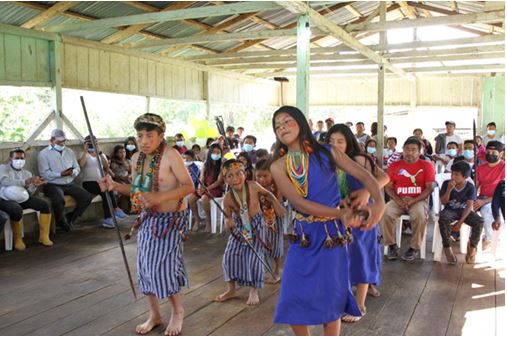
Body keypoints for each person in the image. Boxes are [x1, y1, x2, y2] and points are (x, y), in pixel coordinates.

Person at [270, 106, 384, 335]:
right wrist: (340, 214)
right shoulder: (278, 166)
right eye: (277, 126)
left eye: (287, 121)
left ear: (301, 123)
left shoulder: (327, 152)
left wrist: (378, 204)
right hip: (303, 235)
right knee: (292, 295)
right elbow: (298, 203)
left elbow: (365, 176)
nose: (282, 128)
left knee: (332, 296)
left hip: (332, 235)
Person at [99, 113, 194, 336]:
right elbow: (136, 190)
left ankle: (178, 311)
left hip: (172, 221)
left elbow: (189, 186)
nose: (144, 141)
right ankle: (155, 314)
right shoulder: (136, 159)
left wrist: (160, 198)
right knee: (146, 266)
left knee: (165, 266)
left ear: (161, 136)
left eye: (150, 136)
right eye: (140, 135)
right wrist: (113, 186)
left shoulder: (171, 156)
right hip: (149, 219)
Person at [326, 124, 389, 322]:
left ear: (349, 142)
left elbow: (383, 177)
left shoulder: (358, 159)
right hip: (341, 215)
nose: (335, 145)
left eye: (340, 141)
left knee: (361, 255)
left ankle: (360, 304)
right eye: (331, 142)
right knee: (343, 258)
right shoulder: (328, 162)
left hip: (363, 213)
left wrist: (367, 191)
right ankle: (346, 298)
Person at [214, 159, 284, 305]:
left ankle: (254, 290)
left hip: (257, 225)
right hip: (240, 227)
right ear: (225, 179)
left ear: (245, 174)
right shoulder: (228, 198)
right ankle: (231, 289)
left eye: (238, 173)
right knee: (229, 256)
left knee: (255, 257)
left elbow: (268, 194)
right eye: (230, 176)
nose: (235, 178)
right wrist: (228, 221)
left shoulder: (253, 185)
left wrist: (277, 204)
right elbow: (227, 216)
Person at [382, 136, 435, 261]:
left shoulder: (426, 165)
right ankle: (391, 245)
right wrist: (399, 201)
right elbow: (388, 187)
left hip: (418, 200)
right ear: (402, 150)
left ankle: (414, 247)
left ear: (419, 151)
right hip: (398, 200)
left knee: (420, 215)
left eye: (413, 149)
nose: (409, 152)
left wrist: (412, 201)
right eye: (407, 149)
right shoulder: (395, 165)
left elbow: (429, 188)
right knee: (385, 212)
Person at [38, 129, 93, 231]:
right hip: (51, 184)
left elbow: (77, 167)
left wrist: (73, 172)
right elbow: (44, 174)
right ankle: (61, 222)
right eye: (59, 141)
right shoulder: (43, 154)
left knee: (87, 197)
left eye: (64, 141)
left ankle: (71, 217)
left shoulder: (69, 152)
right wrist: (60, 174)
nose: (62, 143)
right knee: (58, 199)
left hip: (68, 182)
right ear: (52, 140)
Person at [0, 148, 53, 249]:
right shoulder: (3, 168)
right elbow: (5, 182)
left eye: (22, 158)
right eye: (17, 158)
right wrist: (25, 182)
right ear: (10, 158)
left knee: (44, 205)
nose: (19, 160)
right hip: (5, 199)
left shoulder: (27, 173)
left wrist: (35, 185)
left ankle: (44, 236)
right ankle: (18, 239)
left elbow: (28, 193)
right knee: (16, 209)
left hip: (22, 198)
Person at [439, 161, 484, 264]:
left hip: (464, 211)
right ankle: (447, 247)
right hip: (450, 210)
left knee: (479, 221)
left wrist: (460, 223)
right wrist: (449, 190)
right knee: (443, 218)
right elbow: (443, 202)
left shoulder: (470, 187)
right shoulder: (447, 184)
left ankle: (472, 247)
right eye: (452, 173)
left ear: (465, 177)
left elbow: (469, 206)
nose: (453, 176)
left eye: (456, 174)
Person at [79, 136, 127, 228]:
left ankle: (109, 217)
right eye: (89, 143)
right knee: (104, 191)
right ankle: (112, 213)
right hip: (88, 183)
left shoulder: (100, 154)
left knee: (108, 189)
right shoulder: (83, 154)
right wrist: (85, 151)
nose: (91, 144)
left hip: (100, 181)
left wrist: (99, 151)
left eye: (94, 142)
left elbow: (106, 167)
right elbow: (81, 164)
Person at [254, 158, 285, 283]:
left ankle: (277, 270)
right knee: (263, 244)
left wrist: (271, 197)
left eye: (265, 176)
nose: (262, 179)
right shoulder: (255, 187)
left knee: (275, 246)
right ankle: (267, 270)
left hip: (274, 221)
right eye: (258, 176)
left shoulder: (278, 186)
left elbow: (280, 210)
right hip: (260, 220)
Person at [475, 140, 505, 248]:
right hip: (482, 197)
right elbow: (475, 187)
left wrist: (484, 201)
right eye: (488, 151)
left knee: (488, 210)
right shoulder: (480, 168)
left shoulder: (504, 168)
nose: (490, 154)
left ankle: (489, 239)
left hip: (499, 199)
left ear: (501, 154)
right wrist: (472, 200)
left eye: (494, 152)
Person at [188, 143, 224, 232]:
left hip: (216, 189)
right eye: (214, 152)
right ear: (210, 153)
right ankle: (197, 219)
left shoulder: (222, 165)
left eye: (218, 152)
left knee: (204, 198)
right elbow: (202, 178)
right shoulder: (205, 164)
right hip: (204, 187)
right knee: (191, 198)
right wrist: (201, 187)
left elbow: (219, 182)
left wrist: (207, 189)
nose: (216, 154)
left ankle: (208, 220)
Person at [110, 144, 132, 213]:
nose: (123, 154)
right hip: (118, 180)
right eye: (120, 152)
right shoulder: (113, 162)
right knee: (123, 189)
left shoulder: (128, 161)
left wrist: (126, 166)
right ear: (116, 154)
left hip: (127, 179)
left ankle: (131, 208)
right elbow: (113, 175)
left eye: (124, 152)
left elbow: (131, 172)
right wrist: (120, 177)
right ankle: (123, 209)